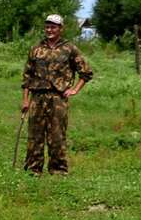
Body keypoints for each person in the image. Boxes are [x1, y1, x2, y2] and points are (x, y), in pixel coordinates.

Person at [21, 14, 93, 174]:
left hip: (58, 98)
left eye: (53, 27)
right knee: (35, 134)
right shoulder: (36, 49)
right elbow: (27, 76)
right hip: (37, 97)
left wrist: (74, 89)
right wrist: (25, 100)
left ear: (61, 29)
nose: (49, 30)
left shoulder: (70, 49)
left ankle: (58, 170)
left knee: (57, 134)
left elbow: (86, 73)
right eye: (47, 26)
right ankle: (33, 170)